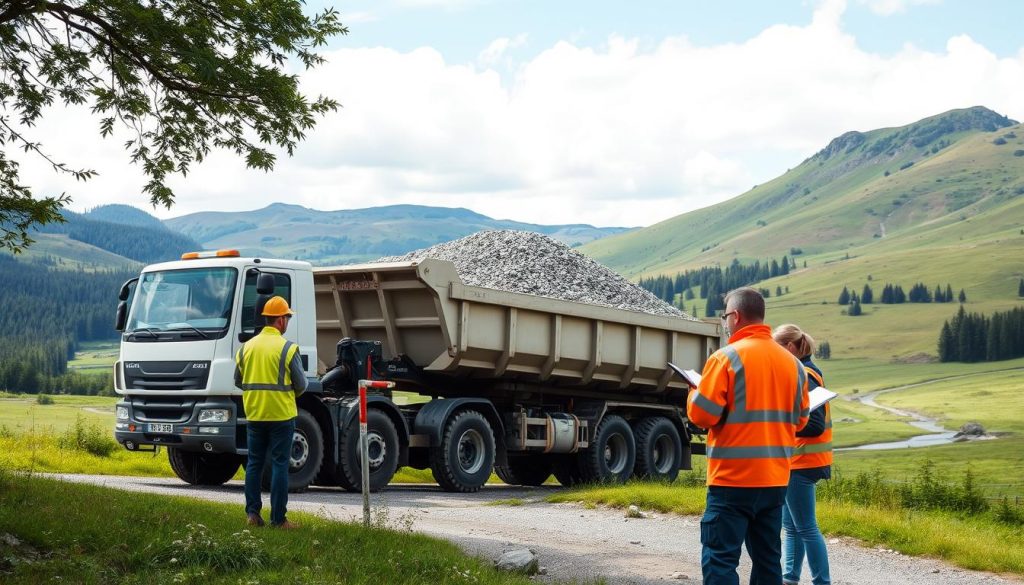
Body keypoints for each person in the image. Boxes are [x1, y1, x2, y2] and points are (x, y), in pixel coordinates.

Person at [687, 287, 810, 585]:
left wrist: (693, 393)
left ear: (736, 316)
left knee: (721, 559)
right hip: (774, 480)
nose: (726, 322)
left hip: (732, 480)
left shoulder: (725, 358)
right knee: (768, 560)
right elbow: (802, 420)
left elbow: (703, 416)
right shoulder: (794, 365)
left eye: (726, 316)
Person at [235, 295, 307, 529]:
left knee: (254, 464)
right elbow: (302, 385)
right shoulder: (288, 348)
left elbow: (239, 380)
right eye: (287, 317)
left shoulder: (246, 348)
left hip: (255, 413)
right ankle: (279, 519)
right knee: (279, 465)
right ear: (280, 320)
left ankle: (252, 515)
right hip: (281, 416)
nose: (287, 321)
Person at [773, 324, 832, 585]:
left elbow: (815, 424)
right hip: (799, 460)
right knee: (793, 527)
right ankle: (790, 578)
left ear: (790, 347)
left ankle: (822, 581)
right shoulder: (806, 371)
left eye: (777, 348)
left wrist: (781, 423)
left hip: (802, 461)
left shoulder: (805, 375)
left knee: (806, 527)